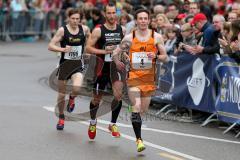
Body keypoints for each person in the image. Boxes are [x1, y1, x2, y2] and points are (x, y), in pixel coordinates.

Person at [113, 9, 168, 152]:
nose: (143, 21)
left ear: (149, 20)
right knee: (137, 105)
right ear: (136, 21)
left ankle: (132, 110)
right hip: (134, 77)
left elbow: (165, 57)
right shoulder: (129, 38)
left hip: (149, 79)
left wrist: (154, 56)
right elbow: (116, 52)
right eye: (140, 18)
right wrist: (118, 60)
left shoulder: (156, 37)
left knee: (142, 110)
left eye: (145, 18)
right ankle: (139, 140)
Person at [85, 3, 126, 140]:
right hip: (101, 69)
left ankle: (113, 124)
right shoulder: (98, 30)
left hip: (116, 68)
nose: (112, 15)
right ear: (104, 14)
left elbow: (124, 48)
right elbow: (88, 48)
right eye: (109, 13)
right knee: (96, 100)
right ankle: (92, 122)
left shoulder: (122, 30)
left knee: (118, 95)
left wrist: (124, 55)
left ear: (117, 13)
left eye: (114, 12)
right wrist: (104, 51)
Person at [48, 8, 90, 130]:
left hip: (77, 65)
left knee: (77, 88)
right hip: (64, 66)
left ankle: (72, 98)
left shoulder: (85, 29)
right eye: (73, 18)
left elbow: (90, 39)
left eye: (77, 19)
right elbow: (50, 45)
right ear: (68, 18)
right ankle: (61, 118)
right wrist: (62, 50)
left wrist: (86, 50)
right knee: (61, 95)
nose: (75, 21)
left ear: (80, 19)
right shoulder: (62, 30)